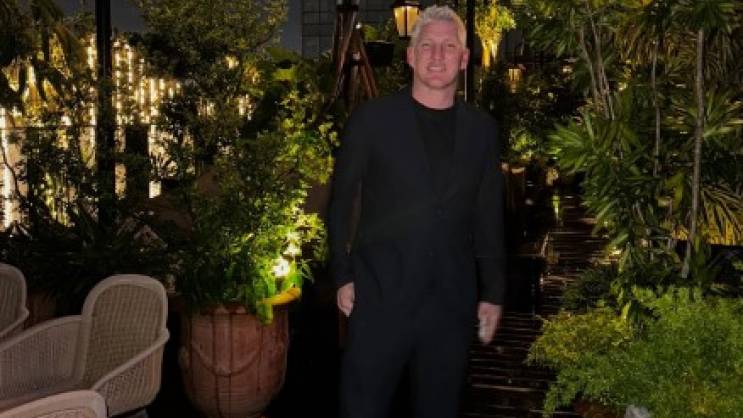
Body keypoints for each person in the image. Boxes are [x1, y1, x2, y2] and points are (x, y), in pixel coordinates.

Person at [327, 5, 506, 418]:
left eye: (449, 46)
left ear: (464, 58)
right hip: (379, 298)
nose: (437, 56)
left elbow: (488, 213)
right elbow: (342, 201)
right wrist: (342, 274)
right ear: (411, 56)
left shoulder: (482, 130)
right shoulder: (371, 120)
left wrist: (493, 291)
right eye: (427, 46)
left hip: (450, 304)